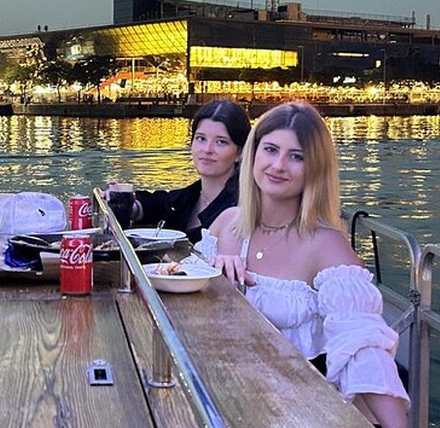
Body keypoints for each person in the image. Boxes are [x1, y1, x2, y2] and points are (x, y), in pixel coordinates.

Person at [206, 102, 409, 427]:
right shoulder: (227, 224)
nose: (278, 165)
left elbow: (361, 343)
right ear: (253, 154)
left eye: (296, 157)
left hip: (296, 410)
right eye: (270, 149)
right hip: (225, 395)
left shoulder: (325, 244)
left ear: (315, 169)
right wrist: (211, 274)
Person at [111, 99, 250, 243]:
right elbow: (159, 205)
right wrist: (127, 204)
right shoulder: (187, 198)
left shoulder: (243, 208)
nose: (207, 149)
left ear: (240, 152)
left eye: (221, 142)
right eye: (201, 138)